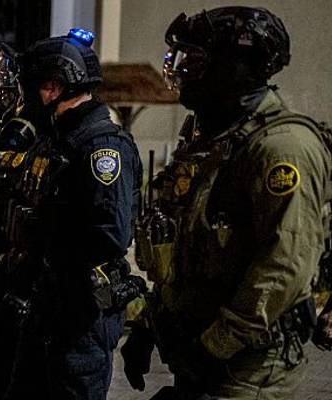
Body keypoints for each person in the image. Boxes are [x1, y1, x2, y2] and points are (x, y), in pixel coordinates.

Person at [124, 7, 330, 399]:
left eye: (197, 61)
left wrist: (212, 347)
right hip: (202, 351)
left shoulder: (281, 148)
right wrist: (152, 324)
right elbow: (189, 249)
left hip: (248, 367)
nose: (183, 70)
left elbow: (283, 267)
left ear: (237, 68)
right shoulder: (213, 140)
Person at [0, 29, 143, 398]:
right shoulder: (57, 139)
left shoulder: (101, 147)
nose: (24, 98)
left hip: (79, 319)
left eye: (30, 87)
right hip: (46, 308)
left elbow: (110, 235)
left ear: (53, 88)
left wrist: (47, 230)